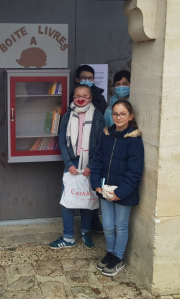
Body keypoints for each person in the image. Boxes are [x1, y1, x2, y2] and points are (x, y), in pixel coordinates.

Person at [90, 100, 144, 277]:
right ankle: (110, 252)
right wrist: (96, 183)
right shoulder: (107, 135)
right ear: (111, 115)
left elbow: (134, 171)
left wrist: (120, 193)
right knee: (107, 224)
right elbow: (97, 160)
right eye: (115, 114)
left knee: (120, 225)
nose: (118, 117)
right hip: (105, 189)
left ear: (130, 116)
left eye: (122, 114)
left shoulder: (134, 140)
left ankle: (118, 257)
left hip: (123, 192)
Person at [49, 84, 106, 250]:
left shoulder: (98, 117)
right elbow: (61, 141)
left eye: (85, 96)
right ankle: (68, 237)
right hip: (72, 162)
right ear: (73, 98)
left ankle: (85, 232)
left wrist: (91, 165)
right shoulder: (67, 116)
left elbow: (101, 143)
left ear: (90, 98)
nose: (80, 99)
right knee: (68, 199)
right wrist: (68, 164)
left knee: (87, 198)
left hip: (91, 162)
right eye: (77, 96)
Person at [69, 65, 108, 233]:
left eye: (90, 78)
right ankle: (85, 223)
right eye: (84, 77)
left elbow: (103, 123)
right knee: (79, 190)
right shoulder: (74, 98)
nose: (87, 80)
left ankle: (93, 220)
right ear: (77, 79)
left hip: (94, 150)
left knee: (93, 187)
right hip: (77, 152)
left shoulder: (99, 98)